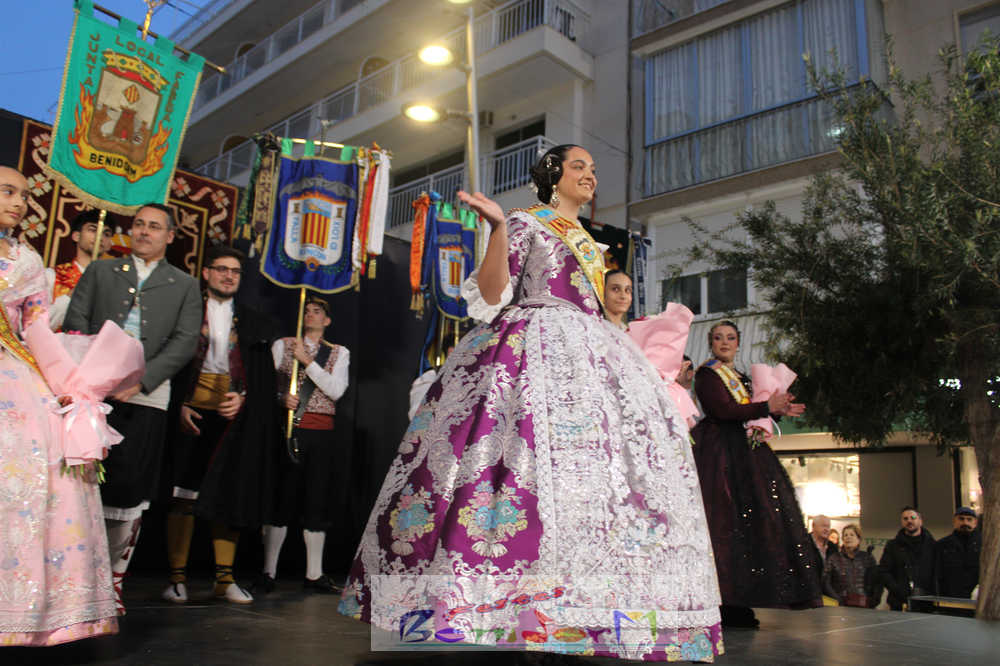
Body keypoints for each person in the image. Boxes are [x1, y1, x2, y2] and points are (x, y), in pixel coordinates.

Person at [338, 145, 724, 661]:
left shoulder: (591, 243)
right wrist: (499, 228)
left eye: (593, 169)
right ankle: (505, 609)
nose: (590, 175)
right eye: (578, 166)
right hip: (531, 349)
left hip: (589, 356)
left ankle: (577, 611)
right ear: (552, 174)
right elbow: (492, 294)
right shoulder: (526, 222)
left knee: (589, 482)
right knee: (513, 470)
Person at [64, 203, 202, 614]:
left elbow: (185, 341)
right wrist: (92, 371)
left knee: (130, 487)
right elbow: (76, 318)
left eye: (154, 226)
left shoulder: (185, 284)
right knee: (82, 482)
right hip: (92, 391)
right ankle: (74, 579)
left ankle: (113, 579)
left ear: (170, 236)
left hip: (147, 395)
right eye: (139, 224)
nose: (144, 231)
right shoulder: (102, 270)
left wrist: (141, 381)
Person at [0, 166, 118, 644]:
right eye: (7, 192)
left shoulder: (27, 260)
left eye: (23, 195)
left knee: (46, 461)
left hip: (16, 372)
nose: (18, 202)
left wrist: (70, 385)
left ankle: (36, 609)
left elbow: (36, 329)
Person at [162, 245, 277, 605]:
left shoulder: (253, 320)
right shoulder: (186, 311)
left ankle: (224, 579)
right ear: (207, 273)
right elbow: (169, 361)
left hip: (231, 415)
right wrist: (180, 403)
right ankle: (177, 579)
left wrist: (243, 397)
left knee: (229, 494)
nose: (229, 276)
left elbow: (262, 375)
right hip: (191, 411)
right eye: (222, 269)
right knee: (183, 495)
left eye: (235, 271)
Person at [691, 319, 819, 628]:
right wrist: (765, 408)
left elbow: (750, 410)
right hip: (719, 456)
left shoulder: (741, 377)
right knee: (724, 526)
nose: (724, 342)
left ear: (738, 343)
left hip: (744, 454)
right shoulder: (707, 375)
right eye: (718, 338)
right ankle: (723, 601)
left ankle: (740, 598)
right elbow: (723, 411)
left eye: (730, 337)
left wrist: (776, 409)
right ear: (710, 343)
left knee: (748, 526)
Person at [255, 297, 350, 595]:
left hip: (321, 435)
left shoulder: (339, 352)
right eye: (306, 311)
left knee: (316, 500)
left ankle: (314, 573)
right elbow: (264, 387)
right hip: (288, 429)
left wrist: (307, 362)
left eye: (317, 312)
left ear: (327, 320)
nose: (310, 315)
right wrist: (281, 399)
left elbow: (335, 391)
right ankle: (268, 571)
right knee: (281, 498)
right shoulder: (282, 345)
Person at [47, 209, 113, 330]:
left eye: (106, 234)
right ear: (76, 236)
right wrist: (71, 296)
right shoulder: (52, 276)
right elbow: (39, 325)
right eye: (93, 230)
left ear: (109, 244)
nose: (100, 237)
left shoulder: (114, 283)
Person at [878, 506, 936, 611]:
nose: (909, 521)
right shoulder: (893, 546)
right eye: (905, 519)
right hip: (899, 602)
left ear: (920, 521)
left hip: (927, 602)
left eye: (913, 517)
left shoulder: (933, 546)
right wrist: (898, 589)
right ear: (902, 522)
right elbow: (883, 571)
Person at [822, 524, 878, 608]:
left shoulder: (867, 558)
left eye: (852, 535)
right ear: (842, 539)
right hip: (840, 605)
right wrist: (837, 599)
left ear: (859, 539)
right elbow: (825, 582)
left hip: (863, 604)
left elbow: (876, 582)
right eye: (845, 535)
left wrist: (873, 600)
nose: (848, 537)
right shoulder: (833, 558)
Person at [934, 507, 981, 598]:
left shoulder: (985, 545)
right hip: (951, 597)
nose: (965, 523)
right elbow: (937, 574)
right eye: (961, 519)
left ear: (975, 522)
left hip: (978, 597)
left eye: (969, 519)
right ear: (954, 521)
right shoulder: (942, 545)